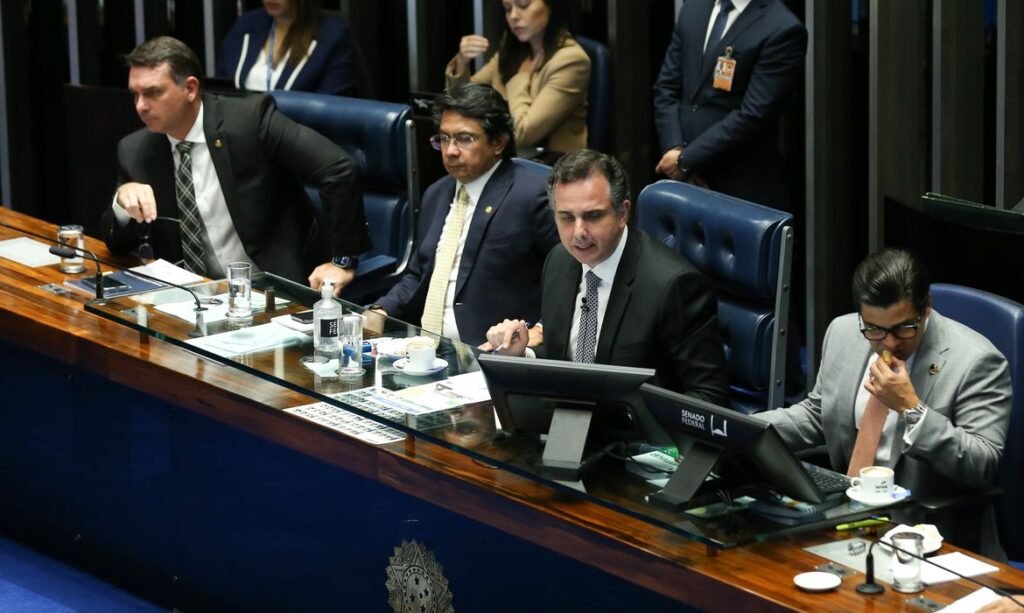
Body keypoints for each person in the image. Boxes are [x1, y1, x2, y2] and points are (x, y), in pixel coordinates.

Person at [759, 248, 1011, 557]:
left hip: (925, 536)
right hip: (842, 518)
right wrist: (745, 430)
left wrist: (912, 409)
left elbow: (982, 464)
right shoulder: (843, 333)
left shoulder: (976, 361)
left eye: (904, 327)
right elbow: (816, 415)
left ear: (926, 307)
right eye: (875, 329)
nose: (889, 342)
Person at [101, 36, 369, 291]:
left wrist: (342, 262)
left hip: (274, 290)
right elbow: (116, 245)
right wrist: (122, 206)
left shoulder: (250, 121)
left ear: (190, 88)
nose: (140, 106)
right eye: (135, 94)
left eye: (153, 93)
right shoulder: (136, 150)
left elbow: (338, 169)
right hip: (190, 297)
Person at [485, 149, 730, 406]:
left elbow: (710, 398)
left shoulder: (673, 285)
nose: (578, 233)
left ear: (623, 213)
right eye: (566, 217)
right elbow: (569, 361)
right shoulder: (559, 260)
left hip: (635, 427)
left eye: (593, 216)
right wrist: (522, 355)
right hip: (568, 418)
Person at [367, 84, 559, 347]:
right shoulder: (436, 194)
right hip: (426, 349)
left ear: (498, 142)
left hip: (492, 351)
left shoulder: (532, 196)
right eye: (444, 138)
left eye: (464, 139)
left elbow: (570, 277)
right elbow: (418, 273)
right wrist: (382, 309)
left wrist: (541, 329)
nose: (450, 151)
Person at [652, 0, 807, 210]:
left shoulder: (782, 28)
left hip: (739, 189)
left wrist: (687, 160)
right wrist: (675, 150)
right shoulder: (694, 6)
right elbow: (666, 87)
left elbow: (753, 115)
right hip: (681, 182)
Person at [446, 0, 589, 154]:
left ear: (551, 6)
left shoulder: (571, 60)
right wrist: (462, 61)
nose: (513, 16)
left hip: (549, 163)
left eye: (523, 5)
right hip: (504, 156)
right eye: (508, 9)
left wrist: (520, 78)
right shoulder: (513, 49)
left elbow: (522, 133)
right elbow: (460, 103)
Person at [216, 0, 360, 96]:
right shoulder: (246, 24)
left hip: (295, 132)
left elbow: (332, 114)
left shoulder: (332, 37)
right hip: (238, 130)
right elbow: (218, 91)